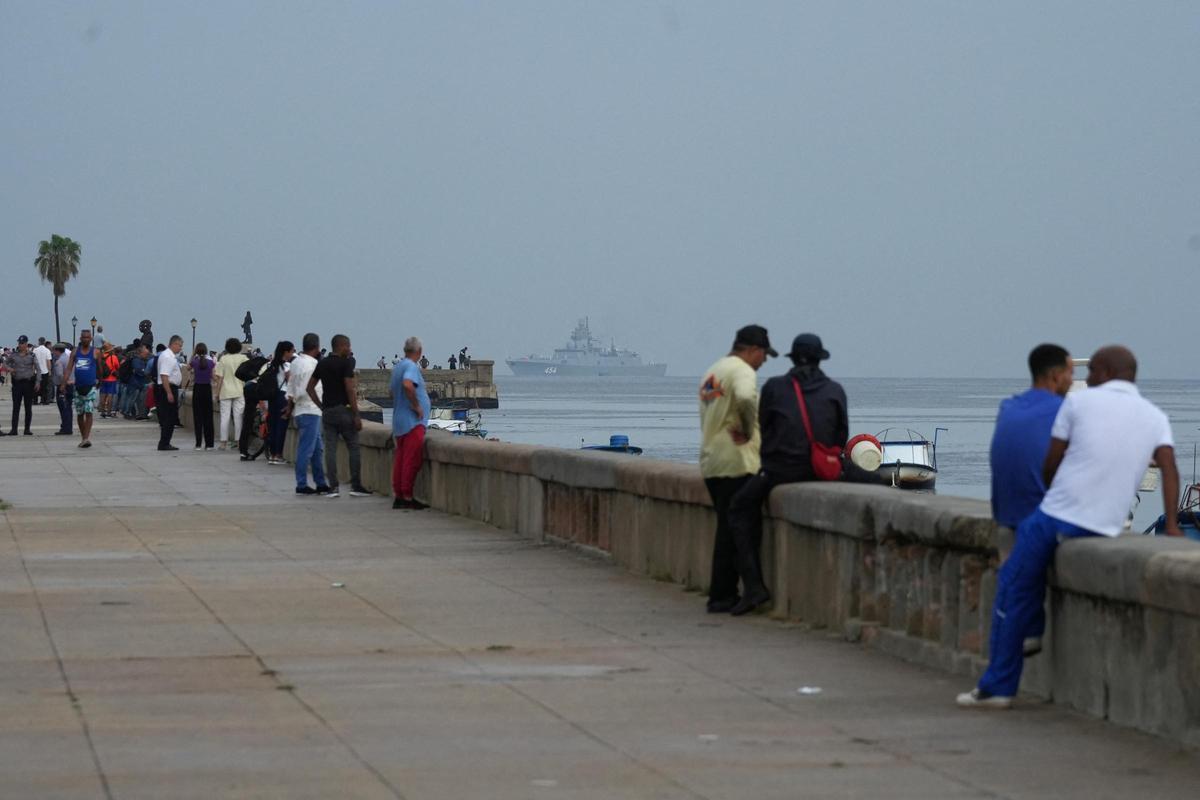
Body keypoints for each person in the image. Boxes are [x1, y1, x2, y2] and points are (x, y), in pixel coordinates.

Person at [957, 345, 1180, 710]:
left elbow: (1051, 462)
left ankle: (997, 685)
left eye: (1091, 372)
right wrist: (1170, 524)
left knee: (1010, 585)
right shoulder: (1155, 416)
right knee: (1025, 580)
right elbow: (1169, 469)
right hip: (1107, 523)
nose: (1084, 379)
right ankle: (1030, 633)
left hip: (1061, 515)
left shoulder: (1077, 405)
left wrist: (1055, 494)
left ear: (1106, 372)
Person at [727, 333, 852, 616]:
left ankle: (754, 586)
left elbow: (762, 430)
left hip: (780, 472)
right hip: (821, 471)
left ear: (793, 359)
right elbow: (841, 438)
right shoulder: (835, 391)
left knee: (738, 509)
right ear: (820, 359)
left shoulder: (775, 388)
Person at [988, 344, 1074, 657]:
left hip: (1004, 514)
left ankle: (1026, 635)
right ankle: (1031, 631)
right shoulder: (1064, 411)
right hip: (1037, 519)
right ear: (1055, 376)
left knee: (1011, 587)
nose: (1071, 380)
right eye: (1070, 374)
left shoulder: (1008, 407)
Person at [698, 325, 775, 613]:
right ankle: (723, 595)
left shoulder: (713, 372)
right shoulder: (742, 371)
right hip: (736, 460)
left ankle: (723, 593)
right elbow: (744, 398)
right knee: (739, 530)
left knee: (726, 529)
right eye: (763, 355)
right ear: (752, 350)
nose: (764, 361)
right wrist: (745, 427)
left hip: (712, 460)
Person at [310, 334, 370, 497]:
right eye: (348, 346)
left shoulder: (322, 364)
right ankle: (355, 485)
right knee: (353, 447)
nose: (350, 349)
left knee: (330, 449)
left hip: (328, 411)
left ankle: (333, 487)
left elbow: (310, 387)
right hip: (344, 410)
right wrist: (356, 414)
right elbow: (349, 389)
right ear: (341, 346)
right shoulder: (346, 364)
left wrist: (321, 406)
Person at [390, 336, 431, 509]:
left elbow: (392, 393)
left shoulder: (398, 366)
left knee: (400, 458)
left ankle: (399, 495)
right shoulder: (411, 366)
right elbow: (408, 385)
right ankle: (407, 496)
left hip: (399, 420)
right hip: (412, 422)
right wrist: (416, 406)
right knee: (411, 459)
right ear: (419, 352)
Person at [290, 333, 330, 495]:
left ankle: (320, 482)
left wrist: (289, 406)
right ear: (317, 347)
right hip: (310, 410)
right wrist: (322, 406)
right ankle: (301, 484)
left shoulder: (296, 363)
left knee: (317, 449)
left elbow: (292, 388)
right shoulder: (313, 365)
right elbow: (307, 388)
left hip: (300, 410)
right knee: (306, 449)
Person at [64, 330, 98, 448]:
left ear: (91, 339)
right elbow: (69, 368)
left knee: (89, 411)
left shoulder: (95, 352)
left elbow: (101, 367)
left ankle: (86, 438)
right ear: (80, 338)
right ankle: (84, 438)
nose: (85, 340)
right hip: (78, 387)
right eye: (83, 337)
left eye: (88, 338)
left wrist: (100, 380)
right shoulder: (75, 352)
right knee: (80, 413)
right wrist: (64, 383)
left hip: (91, 386)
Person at [213, 338, 248, 450]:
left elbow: (220, 378)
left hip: (225, 391)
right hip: (239, 390)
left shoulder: (223, 359)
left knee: (225, 417)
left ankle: (223, 442)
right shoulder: (243, 358)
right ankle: (238, 442)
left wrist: (216, 393)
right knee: (238, 417)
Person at [264, 341, 293, 465]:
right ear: (286, 352)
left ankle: (272, 454)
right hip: (282, 396)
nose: (292, 353)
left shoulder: (271, 364)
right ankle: (278, 455)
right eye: (291, 351)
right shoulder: (286, 366)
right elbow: (290, 382)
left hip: (272, 396)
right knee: (281, 426)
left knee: (273, 425)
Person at [6, 335, 41, 435]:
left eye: (22, 343)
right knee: (16, 407)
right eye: (19, 343)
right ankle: (14, 429)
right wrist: (10, 369)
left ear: (26, 344)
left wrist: (38, 382)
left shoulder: (32, 355)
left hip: (28, 383)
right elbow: (5, 363)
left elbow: (38, 369)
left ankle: (27, 429)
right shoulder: (13, 355)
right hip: (17, 384)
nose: (20, 345)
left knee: (28, 407)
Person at [155, 335, 184, 451]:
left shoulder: (167, 355)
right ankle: (164, 443)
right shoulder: (168, 357)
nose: (180, 349)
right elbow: (164, 376)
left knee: (168, 417)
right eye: (180, 346)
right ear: (174, 344)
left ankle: (165, 441)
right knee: (169, 417)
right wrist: (169, 393)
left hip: (167, 387)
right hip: (168, 388)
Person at [190, 343, 216, 450]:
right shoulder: (210, 363)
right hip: (207, 389)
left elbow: (188, 368)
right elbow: (213, 376)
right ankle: (209, 444)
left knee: (198, 417)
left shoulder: (194, 362)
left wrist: (193, 355)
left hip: (197, 389)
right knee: (208, 417)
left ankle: (198, 444)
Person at [52, 343, 73, 435]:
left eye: (54, 351)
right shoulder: (69, 359)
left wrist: (63, 385)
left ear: (57, 350)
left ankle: (65, 427)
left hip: (63, 386)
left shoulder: (59, 361)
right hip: (71, 385)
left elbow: (60, 375)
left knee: (63, 408)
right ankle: (69, 426)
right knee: (69, 407)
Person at [98, 341, 121, 418]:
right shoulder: (113, 357)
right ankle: (108, 412)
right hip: (112, 379)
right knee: (110, 395)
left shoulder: (101, 357)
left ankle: (102, 412)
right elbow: (118, 367)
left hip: (102, 378)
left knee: (102, 395)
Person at [33, 337, 52, 405]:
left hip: (37, 371)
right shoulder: (47, 351)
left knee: (36, 386)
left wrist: (33, 370)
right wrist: (49, 370)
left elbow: (33, 362)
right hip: (45, 371)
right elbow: (48, 362)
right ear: (44, 342)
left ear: (38, 342)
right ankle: (44, 400)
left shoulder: (35, 350)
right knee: (44, 387)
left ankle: (35, 400)